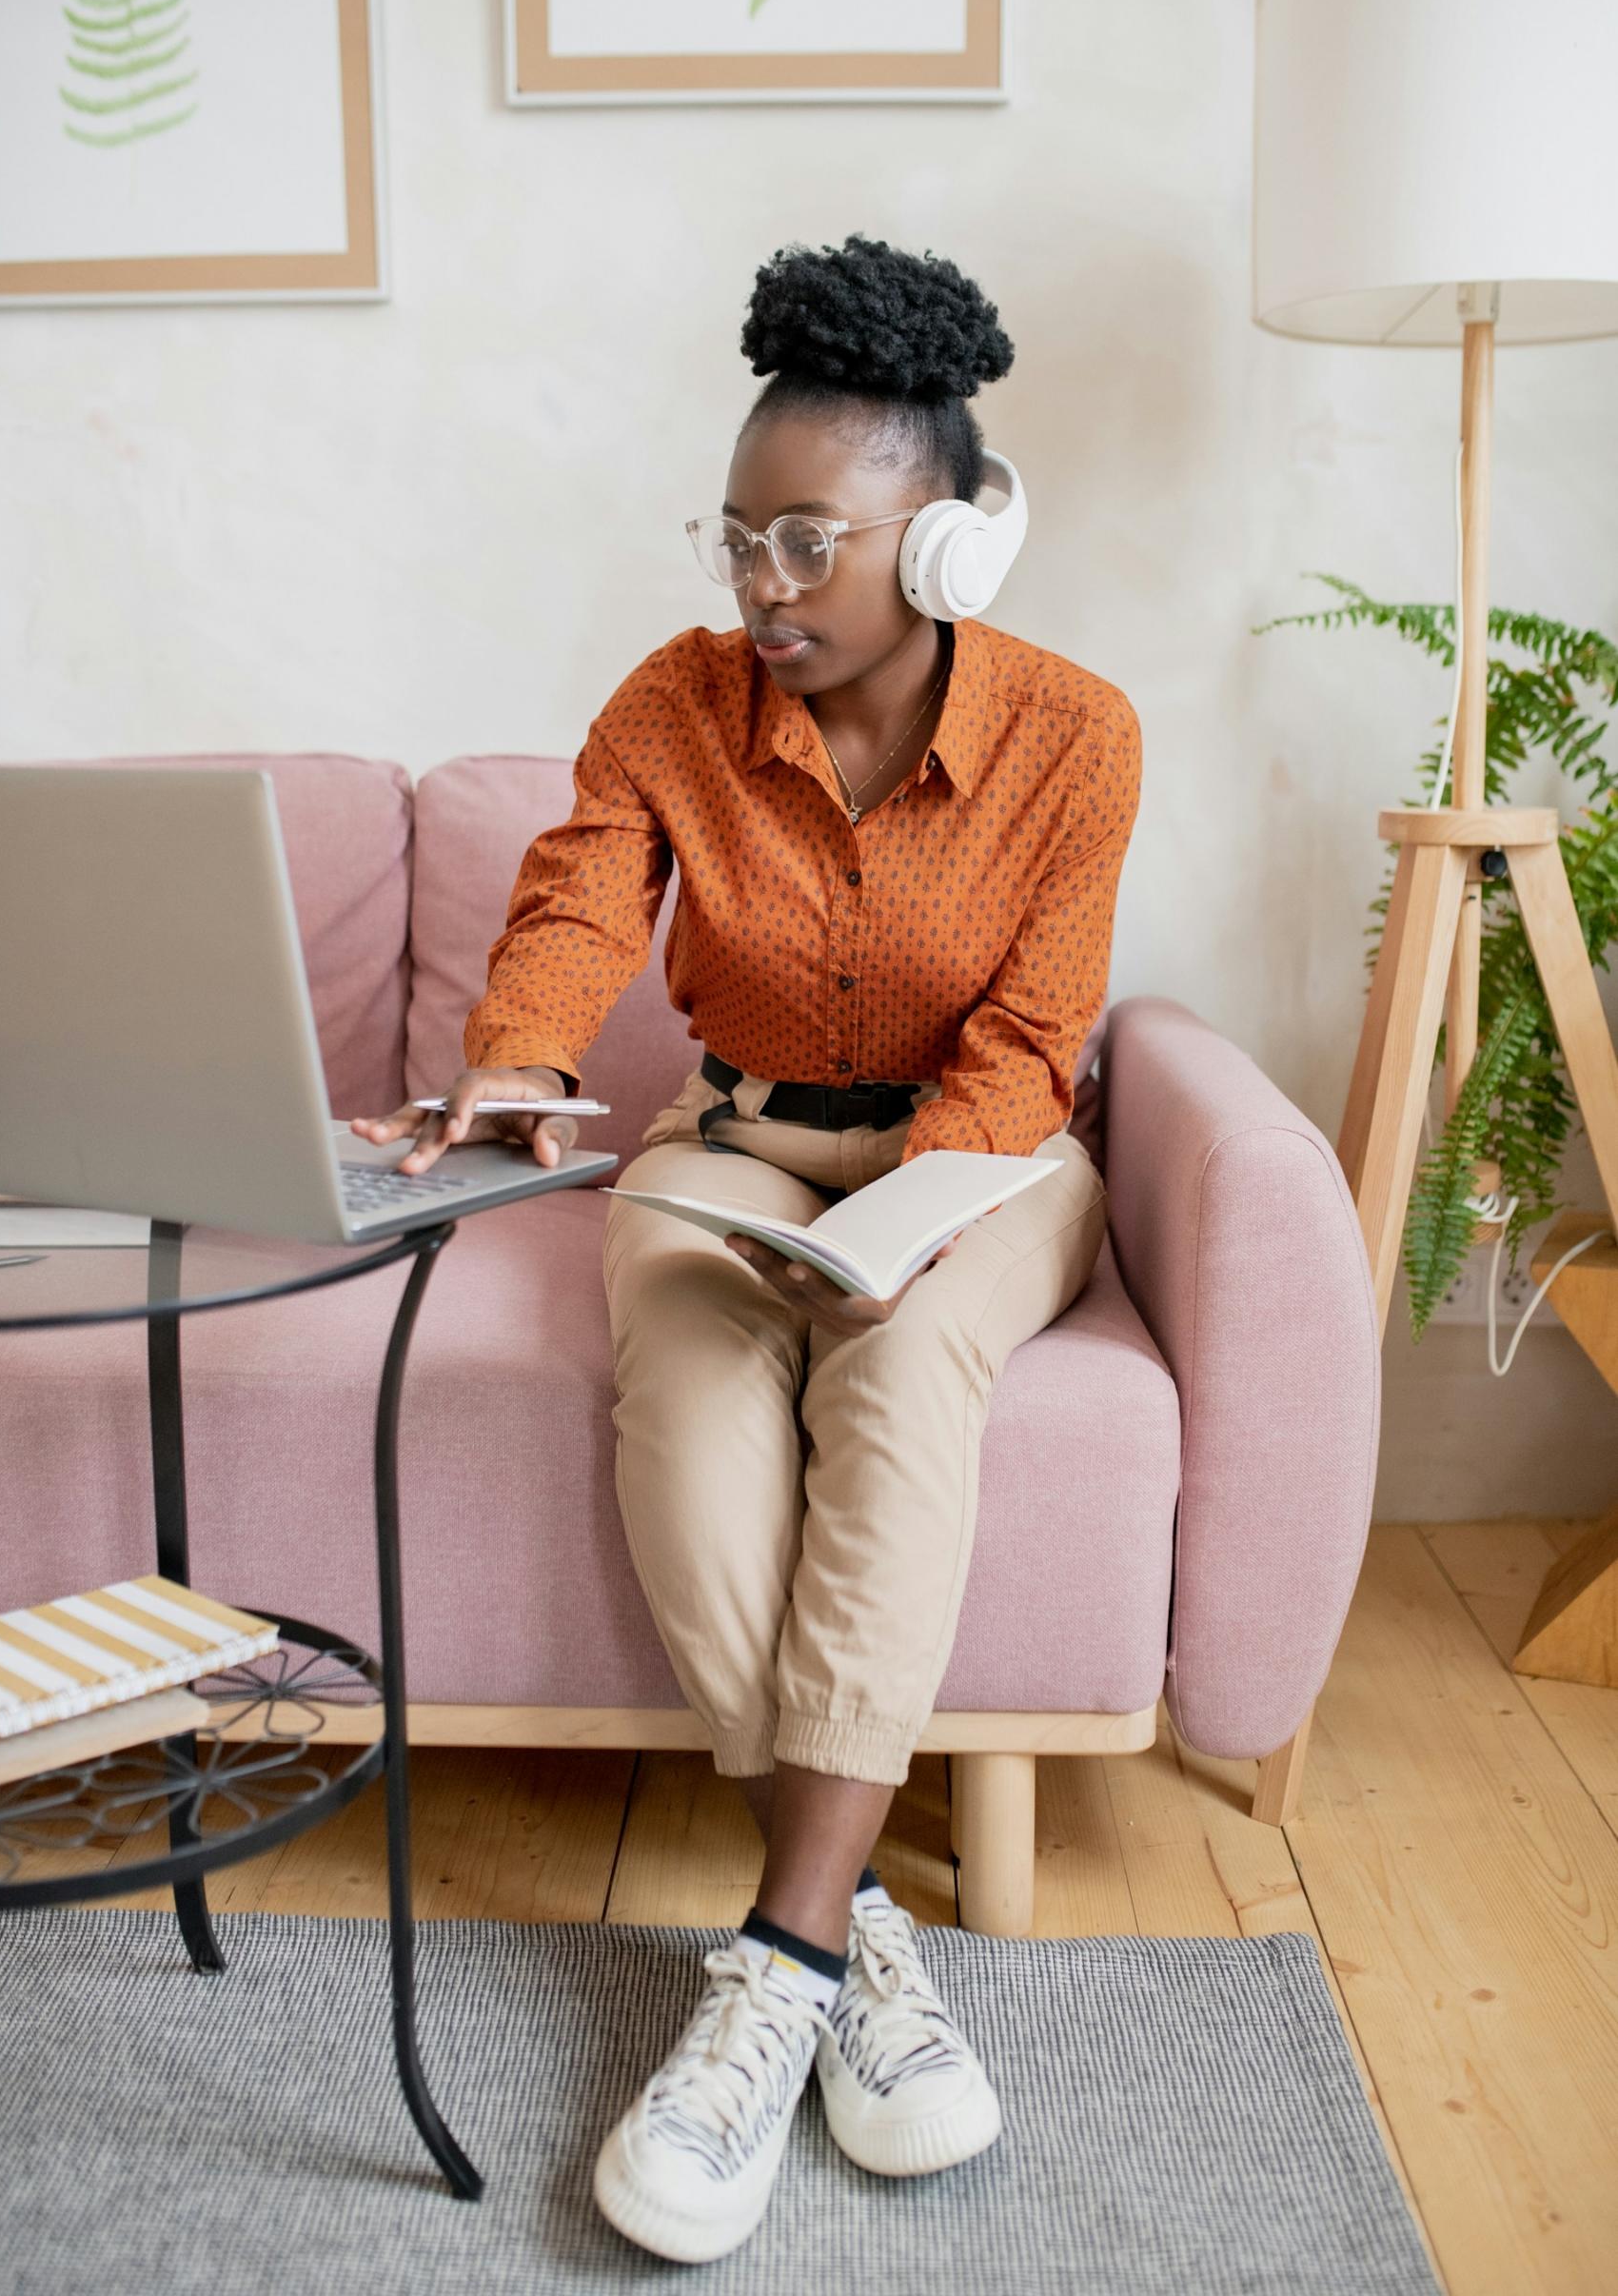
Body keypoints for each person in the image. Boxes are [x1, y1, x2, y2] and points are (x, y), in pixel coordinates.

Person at [352, 233, 1143, 2265]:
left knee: (896, 1369)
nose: (762, 587)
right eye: (738, 538)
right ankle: (862, 1932)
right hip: (733, 1144)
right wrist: (518, 1061)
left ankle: (773, 1956)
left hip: (978, 1160)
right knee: (690, 1396)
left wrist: (893, 1227)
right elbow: (572, 905)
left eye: (812, 541)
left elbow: (1037, 1042)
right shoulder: (672, 704)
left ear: (950, 545)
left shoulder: (1076, 735)